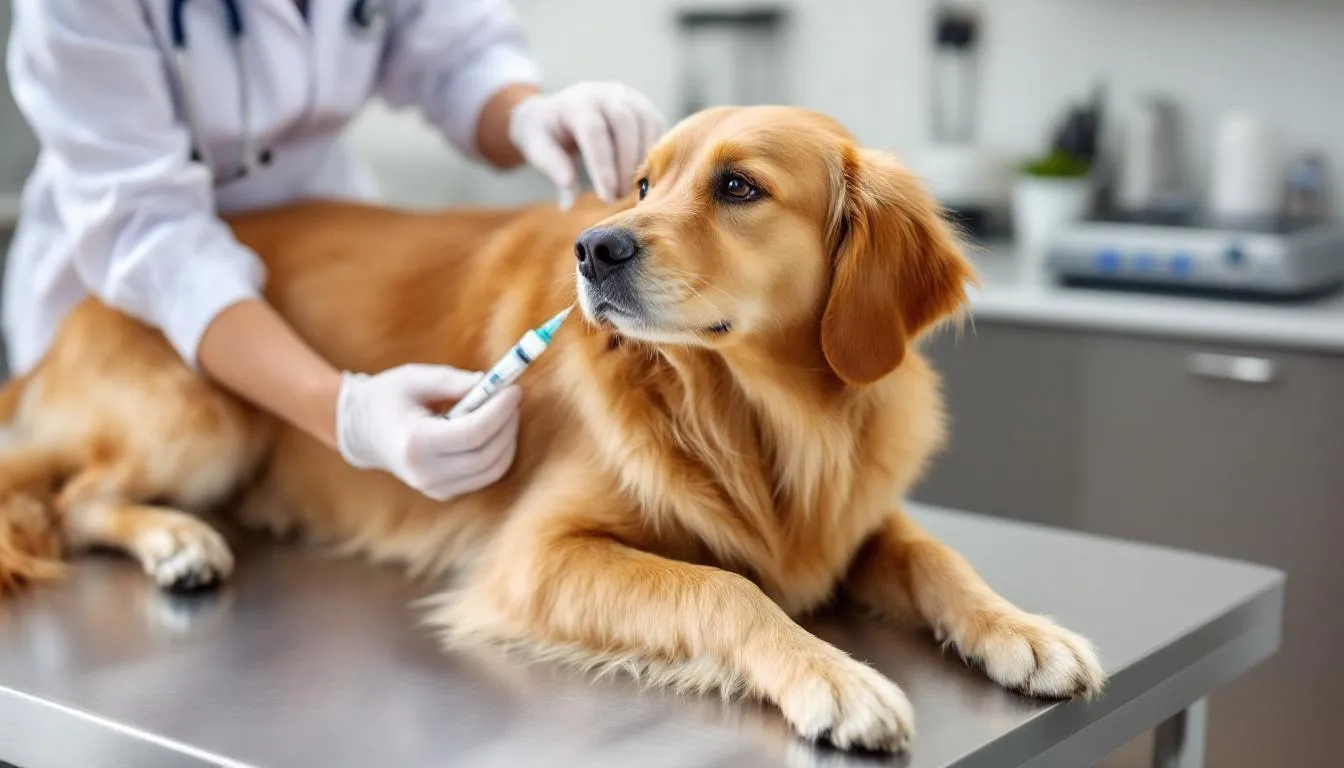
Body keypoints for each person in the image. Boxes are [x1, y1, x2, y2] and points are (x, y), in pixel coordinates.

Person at [3, 0, 665, 502]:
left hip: (317, 262)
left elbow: (457, 57)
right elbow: (156, 243)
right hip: (125, 291)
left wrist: (528, 115)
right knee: (165, 461)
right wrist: (343, 412)